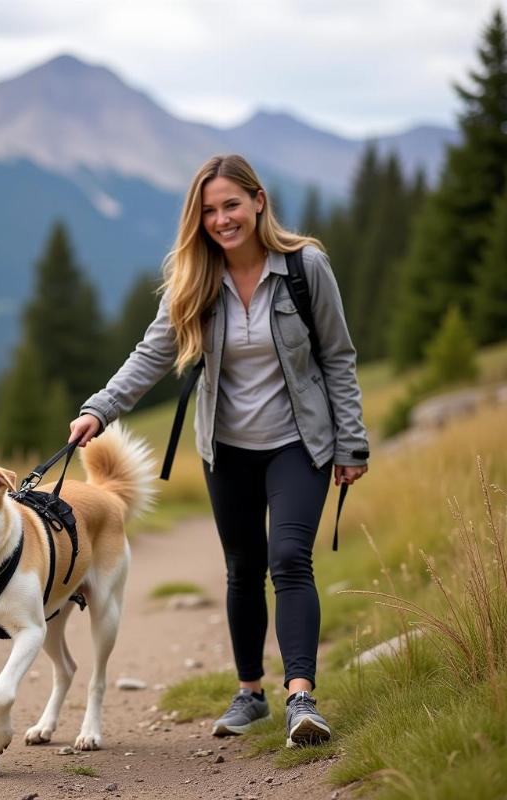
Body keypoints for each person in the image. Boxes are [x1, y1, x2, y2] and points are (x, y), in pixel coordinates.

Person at [68, 154, 368, 748]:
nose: (222, 219)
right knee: (242, 569)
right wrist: (99, 408)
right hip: (225, 449)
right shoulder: (195, 279)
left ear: (259, 201)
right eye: (209, 211)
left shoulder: (306, 267)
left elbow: (338, 356)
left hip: (299, 444)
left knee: (289, 559)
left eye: (231, 204)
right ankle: (250, 693)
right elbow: (152, 353)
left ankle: (301, 698)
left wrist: (351, 441)